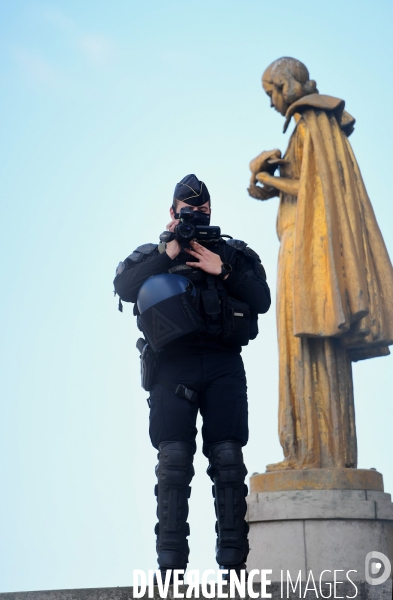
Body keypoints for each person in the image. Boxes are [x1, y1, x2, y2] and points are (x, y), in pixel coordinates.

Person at [114, 174, 271, 580]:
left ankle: (233, 566)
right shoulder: (155, 253)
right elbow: (124, 285)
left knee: (229, 463)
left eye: (202, 212)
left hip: (223, 366)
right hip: (172, 369)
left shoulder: (233, 254)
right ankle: (171, 570)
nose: (196, 218)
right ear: (172, 213)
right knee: (173, 465)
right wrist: (168, 254)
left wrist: (223, 271)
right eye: (188, 212)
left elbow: (261, 300)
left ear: (211, 211)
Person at [248, 57, 393, 472]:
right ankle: (305, 452)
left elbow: (312, 189)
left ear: (288, 84)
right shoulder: (309, 128)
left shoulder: (313, 122)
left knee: (312, 345)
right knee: (301, 347)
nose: (273, 101)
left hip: (308, 250)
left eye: (272, 91)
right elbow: (305, 187)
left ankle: (317, 455)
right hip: (299, 246)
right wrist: (263, 182)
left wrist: (264, 175)